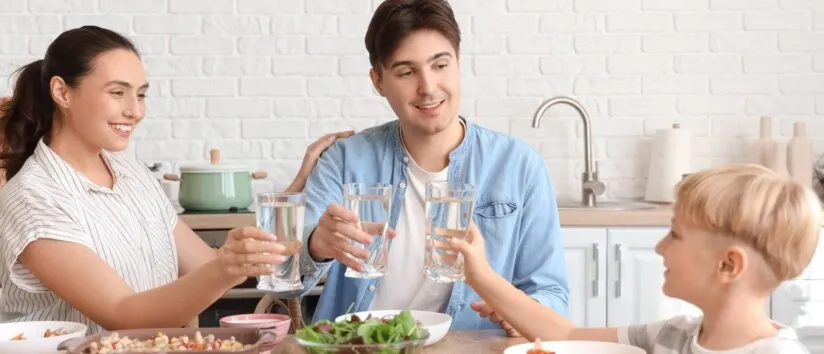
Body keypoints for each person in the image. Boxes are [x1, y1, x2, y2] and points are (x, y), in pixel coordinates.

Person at [0, 25, 352, 334]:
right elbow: (122, 315)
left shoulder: (128, 170)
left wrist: (295, 194)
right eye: (117, 92)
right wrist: (228, 266)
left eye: (140, 94)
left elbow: (205, 265)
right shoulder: (33, 197)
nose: (135, 111)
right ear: (62, 92)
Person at [295, 0, 569, 334]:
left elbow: (551, 292)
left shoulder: (518, 165)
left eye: (440, 65)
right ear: (378, 81)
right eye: (406, 72)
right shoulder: (343, 160)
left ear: (457, 64)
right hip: (358, 345)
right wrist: (315, 247)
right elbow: (286, 277)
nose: (428, 87)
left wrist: (524, 313)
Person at [450, 163, 819, 353]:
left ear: (728, 265)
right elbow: (567, 335)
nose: (660, 247)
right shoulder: (672, 336)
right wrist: (481, 275)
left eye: (675, 234)